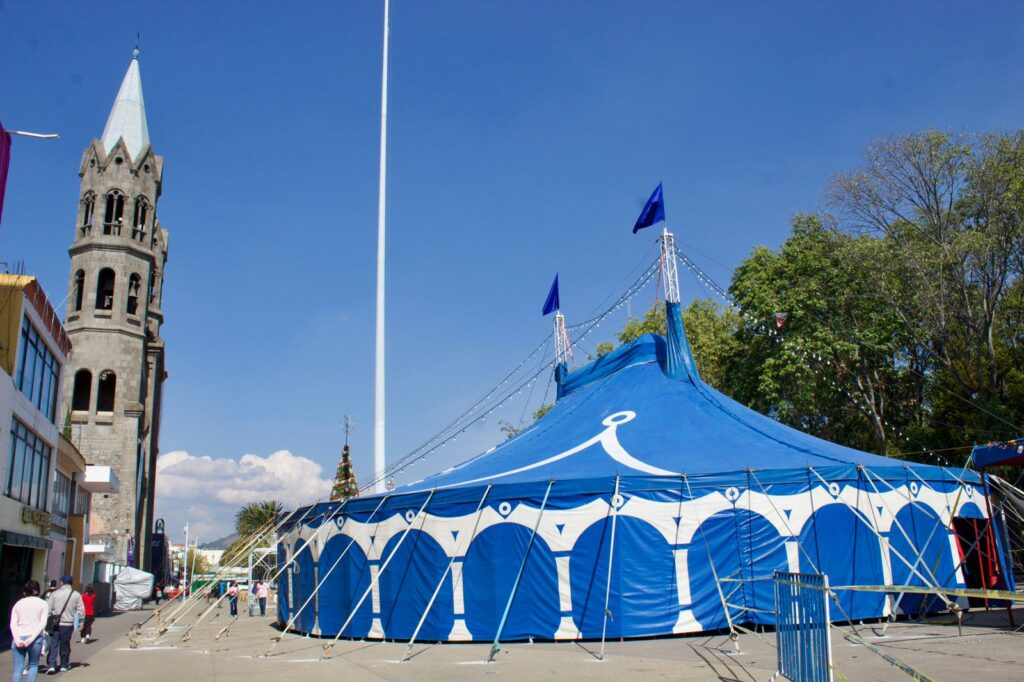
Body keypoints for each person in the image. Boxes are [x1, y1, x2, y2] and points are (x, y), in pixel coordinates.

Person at [45, 575, 84, 674]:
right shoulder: (76, 594)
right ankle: (64, 664)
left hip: (54, 623)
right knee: (65, 644)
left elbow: (48, 609)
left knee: (53, 644)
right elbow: (81, 609)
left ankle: (51, 665)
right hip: (68, 624)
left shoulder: (55, 593)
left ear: (62, 582)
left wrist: (46, 621)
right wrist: (81, 622)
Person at [9, 580, 47, 682]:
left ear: (25, 591)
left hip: (19, 637)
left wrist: (17, 640)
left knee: (18, 669)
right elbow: (42, 624)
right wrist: (30, 640)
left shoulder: (18, 604)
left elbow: (13, 624)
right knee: (33, 665)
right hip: (35, 639)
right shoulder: (43, 603)